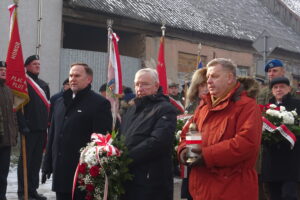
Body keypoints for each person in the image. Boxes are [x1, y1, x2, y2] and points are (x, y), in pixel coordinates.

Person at [178, 58, 262, 200]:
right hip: (201, 190)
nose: (209, 81)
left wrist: (205, 156)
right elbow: (188, 134)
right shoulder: (203, 107)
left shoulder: (247, 106)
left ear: (230, 78)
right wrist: (184, 152)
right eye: (208, 77)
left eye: (214, 76)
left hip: (232, 189)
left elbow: (246, 144)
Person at [42, 63, 112, 200]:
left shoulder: (99, 104)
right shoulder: (60, 102)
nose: (73, 79)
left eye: (77, 75)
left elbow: (101, 142)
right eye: (71, 75)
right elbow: (53, 135)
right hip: (60, 172)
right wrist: (47, 164)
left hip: (83, 176)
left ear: (89, 79)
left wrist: (95, 172)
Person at [120, 68, 177, 200]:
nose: (140, 88)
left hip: (151, 182)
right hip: (129, 177)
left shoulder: (165, 109)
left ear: (156, 86)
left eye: (145, 84)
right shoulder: (131, 109)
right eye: (137, 84)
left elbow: (157, 142)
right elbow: (122, 137)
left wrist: (126, 158)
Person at [261, 77, 300, 200]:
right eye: (275, 87)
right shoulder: (266, 108)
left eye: (282, 87)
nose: (279, 90)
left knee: (289, 194)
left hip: (291, 158)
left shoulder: (297, 104)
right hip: (272, 159)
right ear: (272, 91)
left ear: (289, 89)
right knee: (274, 195)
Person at [17, 55, 50, 200]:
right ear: (27, 66)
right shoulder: (22, 83)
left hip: (42, 129)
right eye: (34, 64)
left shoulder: (43, 84)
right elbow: (17, 107)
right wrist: (22, 125)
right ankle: (22, 192)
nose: (37, 66)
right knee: (25, 162)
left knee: (36, 163)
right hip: (28, 129)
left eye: (38, 63)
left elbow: (47, 107)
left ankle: (32, 190)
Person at [0, 61, 18, 200]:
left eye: (5, 70)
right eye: (0, 70)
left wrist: (14, 133)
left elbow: (13, 115)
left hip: (6, 139)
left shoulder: (8, 91)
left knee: (3, 172)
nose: (3, 72)